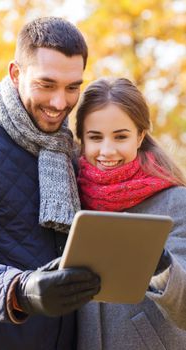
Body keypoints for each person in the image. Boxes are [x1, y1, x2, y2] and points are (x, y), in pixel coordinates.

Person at [0, 17, 101, 350]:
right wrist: (20, 290)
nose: (60, 103)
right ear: (16, 74)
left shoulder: (72, 150)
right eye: (46, 84)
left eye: (72, 87)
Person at [75, 77, 186, 349]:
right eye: (95, 137)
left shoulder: (175, 201)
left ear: (140, 136)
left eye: (121, 136)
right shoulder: (67, 198)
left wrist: (161, 265)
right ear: (81, 139)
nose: (107, 150)